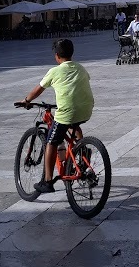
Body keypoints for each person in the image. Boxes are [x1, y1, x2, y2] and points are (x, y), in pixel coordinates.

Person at [17, 38, 94, 194]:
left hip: (67, 112)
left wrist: (26, 101)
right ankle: (82, 149)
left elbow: (38, 89)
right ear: (72, 53)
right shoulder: (81, 68)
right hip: (86, 110)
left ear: (57, 56)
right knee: (75, 124)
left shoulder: (54, 71)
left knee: (51, 142)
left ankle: (47, 181)